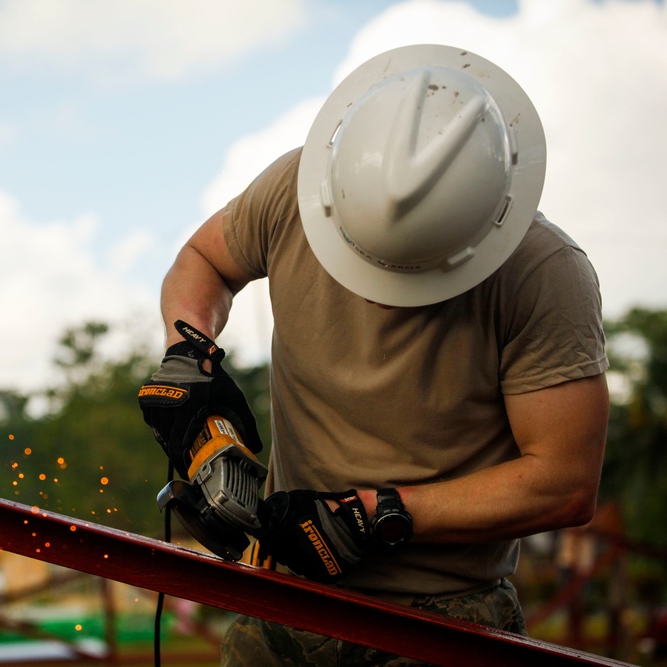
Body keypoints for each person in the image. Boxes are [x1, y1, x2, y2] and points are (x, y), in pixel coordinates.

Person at [138, 44, 609, 666]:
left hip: (442, 619)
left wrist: (380, 515)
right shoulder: (293, 192)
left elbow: (564, 483)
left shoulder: (545, 274)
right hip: (284, 596)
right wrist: (187, 349)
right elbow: (202, 261)